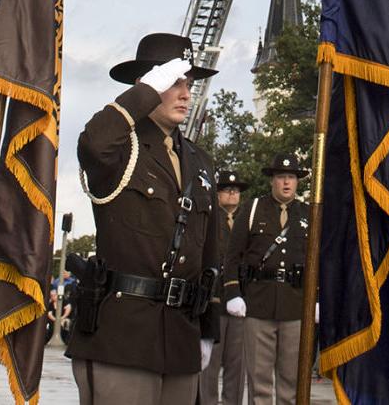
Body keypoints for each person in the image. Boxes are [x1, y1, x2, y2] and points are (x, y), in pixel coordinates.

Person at [67, 32, 220, 404]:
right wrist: (145, 93)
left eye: (188, 83)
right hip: (123, 337)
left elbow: (210, 251)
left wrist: (207, 328)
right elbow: (93, 144)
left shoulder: (199, 161)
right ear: (146, 84)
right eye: (173, 82)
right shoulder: (121, 148)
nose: (185, 93)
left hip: (180, 337)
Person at [224, 156, 309, 405]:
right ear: (272, 180)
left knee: (291, 383)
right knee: (259, 383)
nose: (286, 182)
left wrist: (316, 298)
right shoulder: (252, 209)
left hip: (295, 306)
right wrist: (233, 293)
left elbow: (319, 259)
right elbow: (232, 256)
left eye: (291, 177)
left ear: (297, 182)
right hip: (258, 305)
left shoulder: (308, 213)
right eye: (281, 177)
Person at [201, 170, 251, 405]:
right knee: (210, 362)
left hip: (240, 299)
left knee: (237, 363)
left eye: (236, 190)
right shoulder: (210, 219)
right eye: (227, 190)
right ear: (217, 193)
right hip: (215, 300)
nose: (232, 194)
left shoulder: (247, 220)